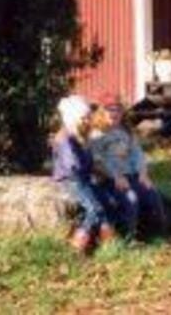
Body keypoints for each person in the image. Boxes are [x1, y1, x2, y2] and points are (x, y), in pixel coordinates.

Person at [89, 93, 166, 238]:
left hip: (132, 175)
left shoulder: (126, 131)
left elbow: (137, 153)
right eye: (109, 109)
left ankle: (157, 234)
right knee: (131, 199)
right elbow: (98, 161)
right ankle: (127, 237)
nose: (114, 113)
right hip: (110, 179)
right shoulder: (97, 134)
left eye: (117, 109)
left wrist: (143, 173)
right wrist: (116, 176)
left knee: (152, 194)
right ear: (102, 112)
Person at [52, 95, 117, 253]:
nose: (88, 121)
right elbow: (73, 166)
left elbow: (89, 163)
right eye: (84, 118)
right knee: (94, 209)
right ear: (73, 118)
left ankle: (108, 245)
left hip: (83, 178)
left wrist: (104, 172)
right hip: (70, 181)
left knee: (108, 201)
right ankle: (77, 246)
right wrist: (93, 171)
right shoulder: (64, 139)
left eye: (88, 117)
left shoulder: (78, 135)